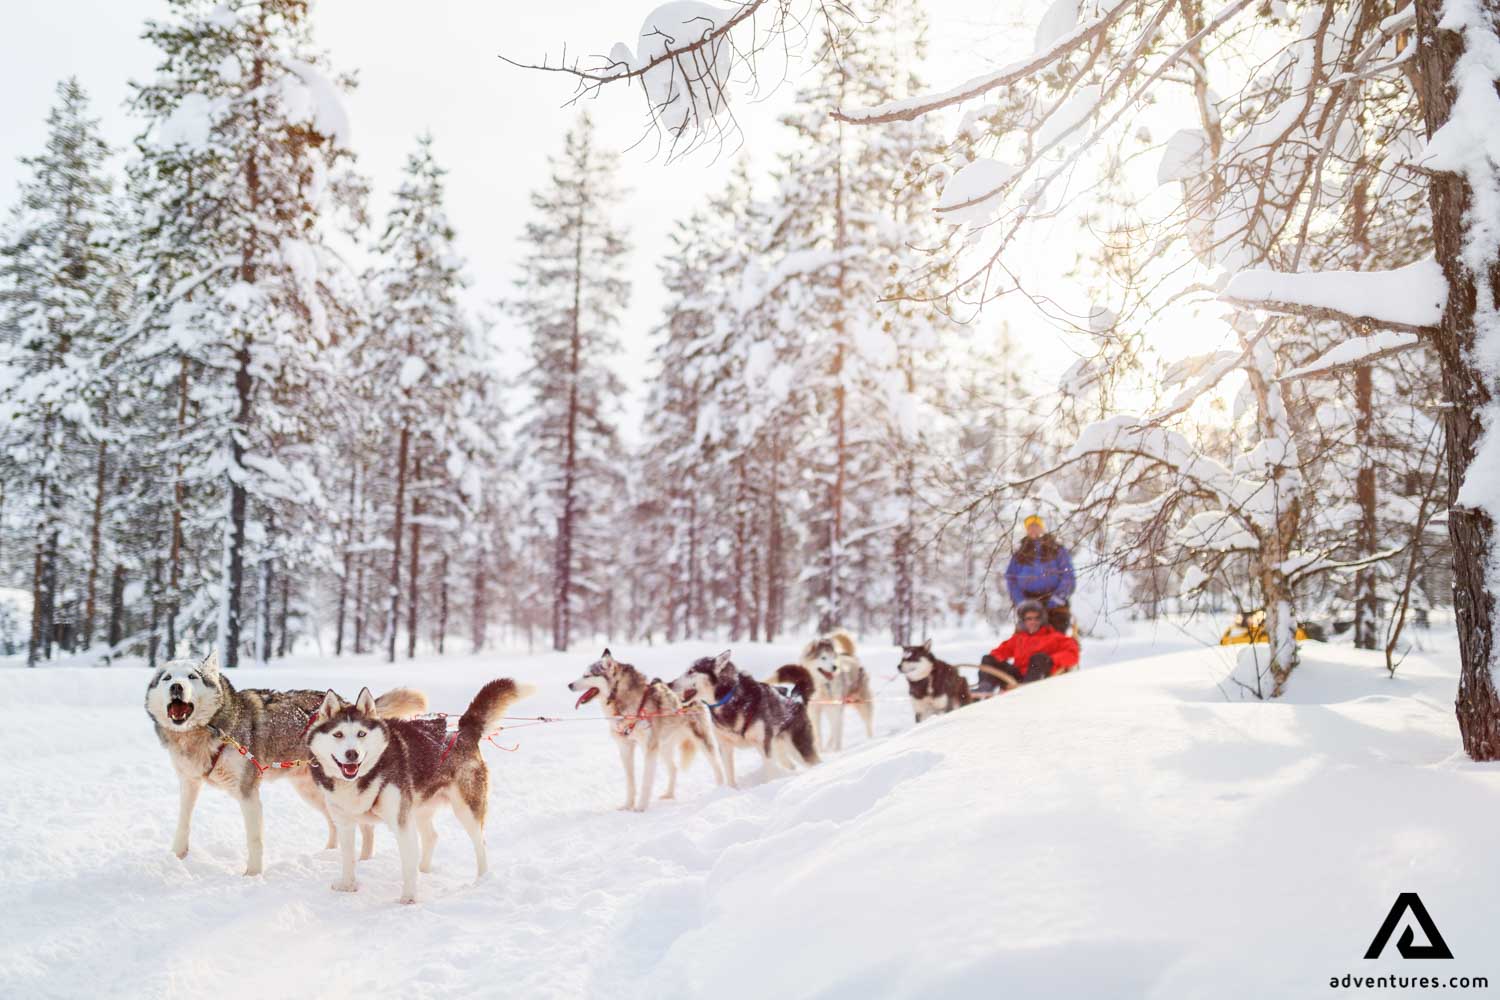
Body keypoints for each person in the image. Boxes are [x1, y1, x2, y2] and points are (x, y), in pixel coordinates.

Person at [975, 599, 1080, 693]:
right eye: (1029, 619)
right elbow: (999, 652)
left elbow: (1073, 654)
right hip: (1016, 677)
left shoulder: (1054, 637)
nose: (1032, 622)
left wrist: (1051, 660)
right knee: (989, 659)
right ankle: (985, 688)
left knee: (1039, 657)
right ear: (1023, 621)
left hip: (1040, 677)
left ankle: (1028, 689)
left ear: (1042, 620)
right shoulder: (1019, 638)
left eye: (1036, 618)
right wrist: (994, 662)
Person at [1004, 514, 1075, 633]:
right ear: (1026, 530)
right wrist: (1021, 601)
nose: (1033, 529)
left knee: (1055, 638)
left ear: (1042, 528)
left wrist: (1058, 597)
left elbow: (1068, 576)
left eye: (1036, 525)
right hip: (1029, 601)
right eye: (1030, 526)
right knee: (1026, 639)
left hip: (1055, 602)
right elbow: (1011, 579)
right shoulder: (1020, 554)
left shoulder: (1057, 550)